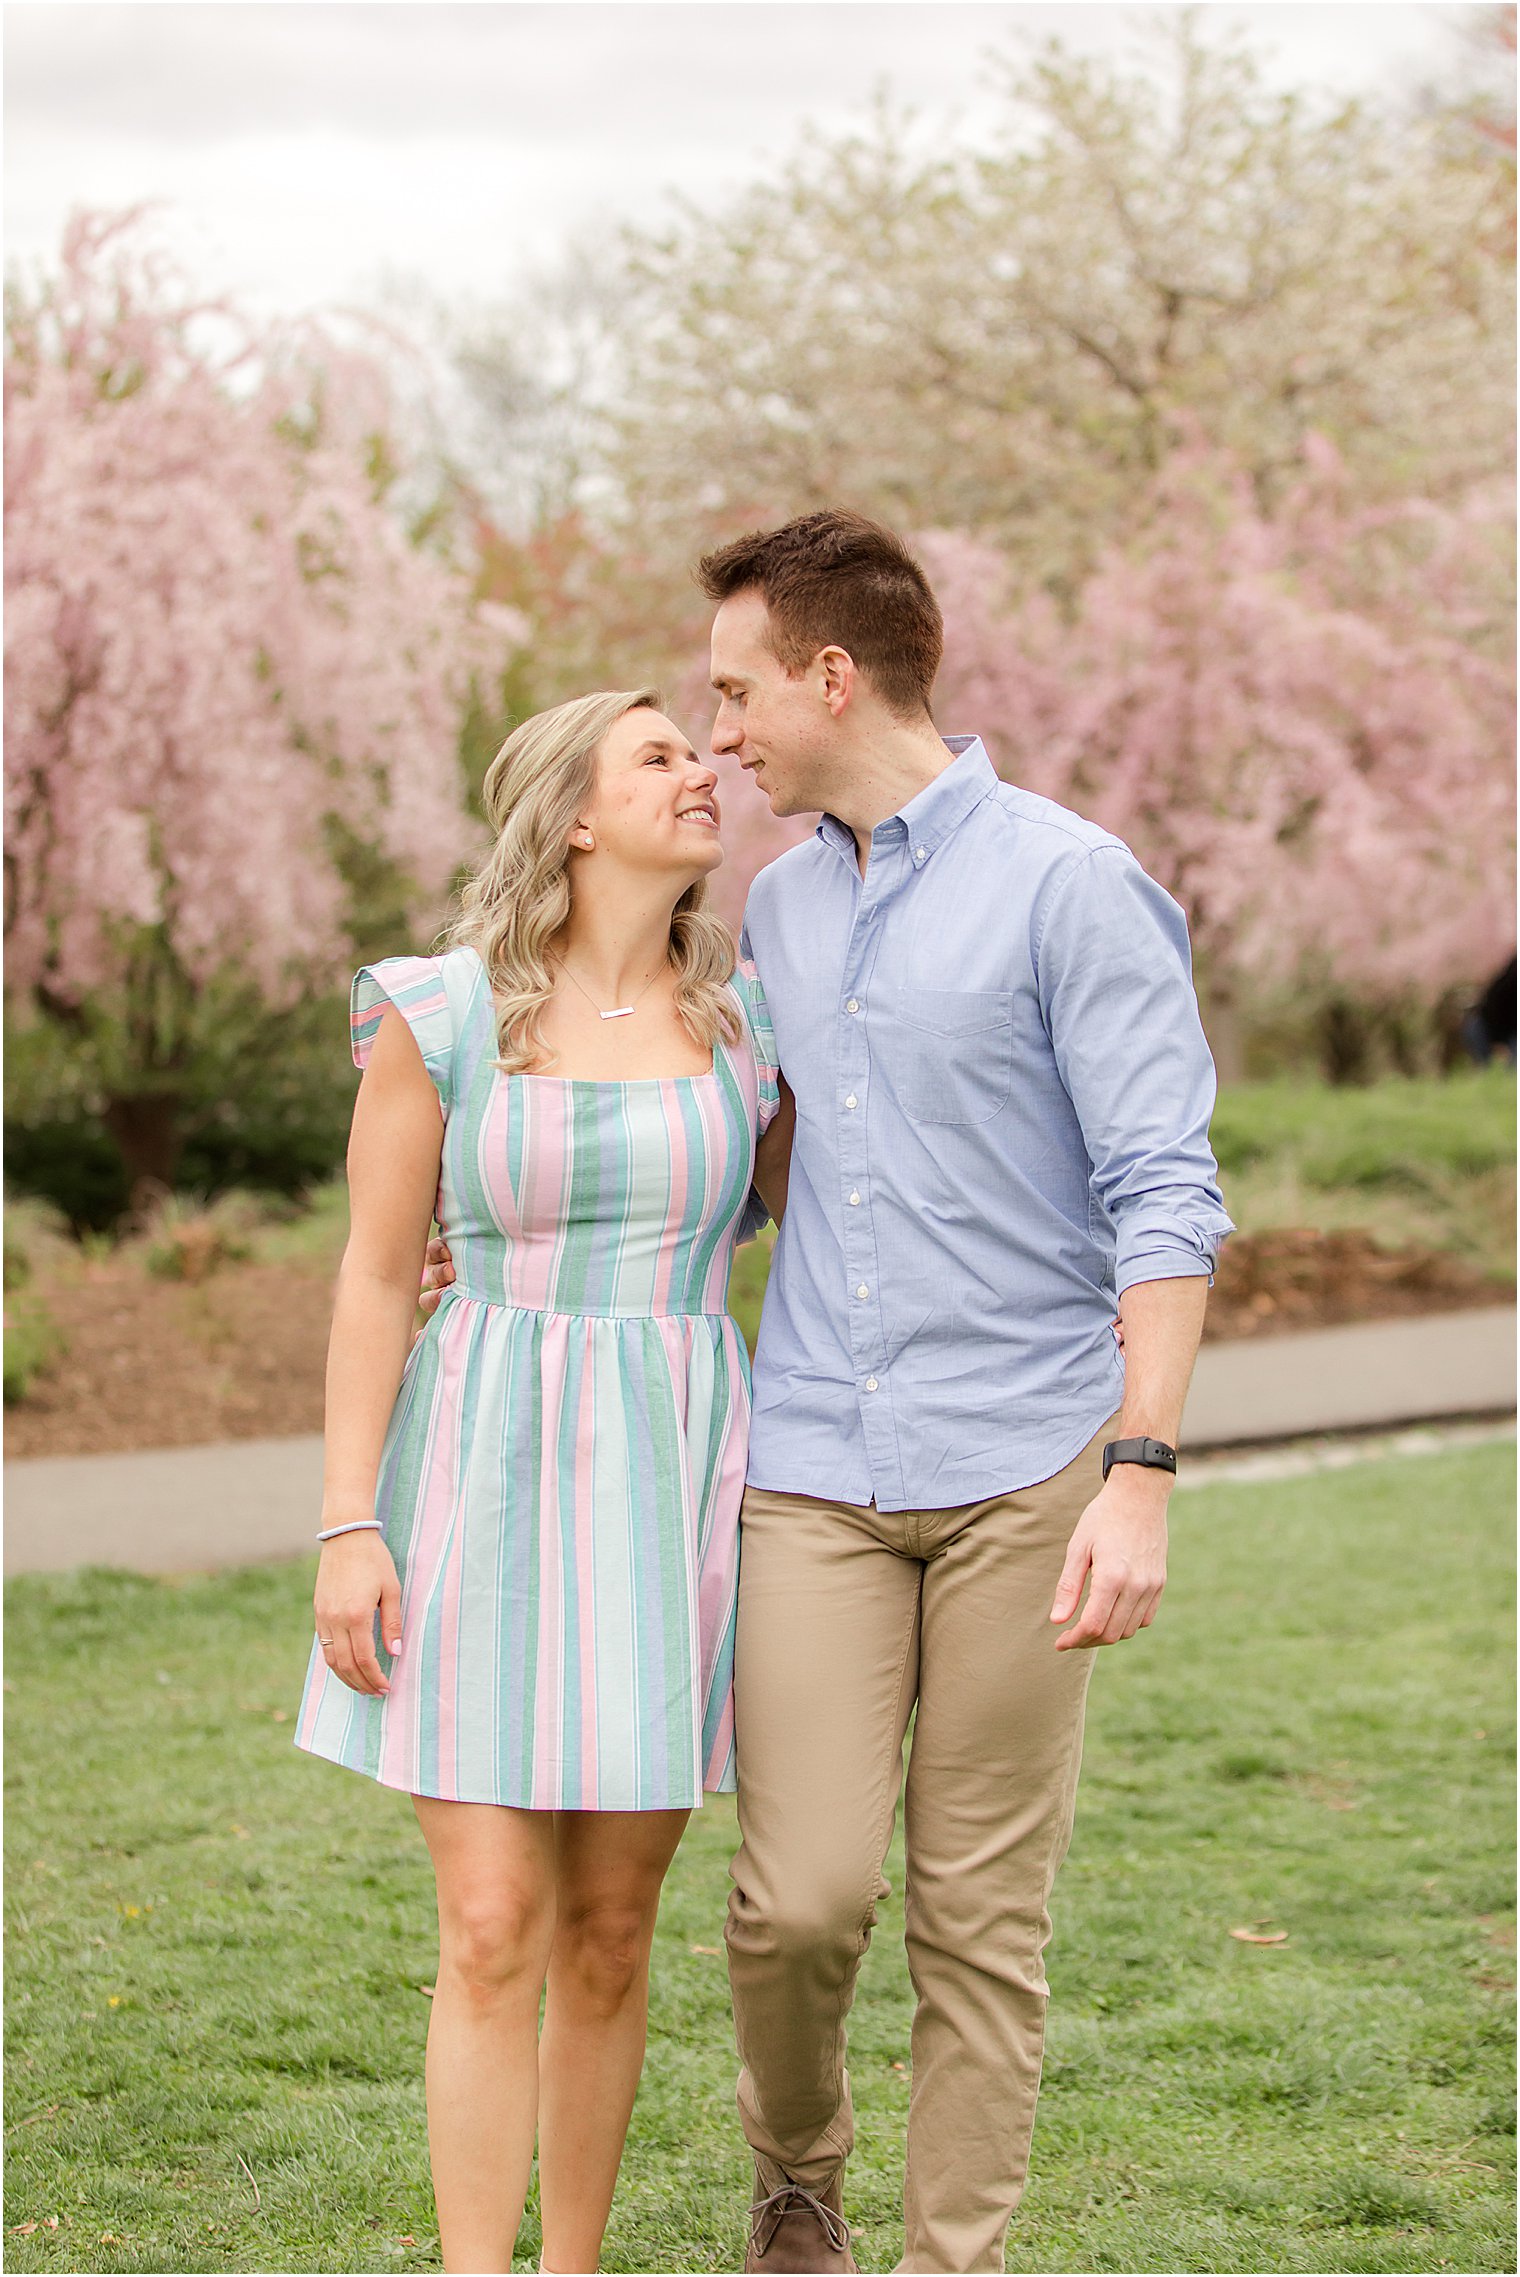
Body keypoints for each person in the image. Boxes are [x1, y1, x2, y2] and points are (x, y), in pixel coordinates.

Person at [425, 509, 1234, 2275]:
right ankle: (800, 2172)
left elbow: (1168, 1188)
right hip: (808, 1470)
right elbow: (742, 1151)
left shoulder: (1069, 880)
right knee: (797, 1903)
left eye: (733, 694)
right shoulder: (776, 904)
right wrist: (483, 1230)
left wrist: (1143, 1467)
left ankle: (952, 2258)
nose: (721, 736)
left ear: (830, 675)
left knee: (978, 1915)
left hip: (1033, 1459)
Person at [294, 687, 786, 2277]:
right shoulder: (436, 1012)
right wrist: (347, 1519)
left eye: (699, 750)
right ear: (571, 814)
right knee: (493, 1922)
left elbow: (819, 1217)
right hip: (475, 1474)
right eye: (658, 754)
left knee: (612, 1926)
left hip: (672, 1477)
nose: (702, 767)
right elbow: (377, 1276)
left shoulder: (753, 1022)